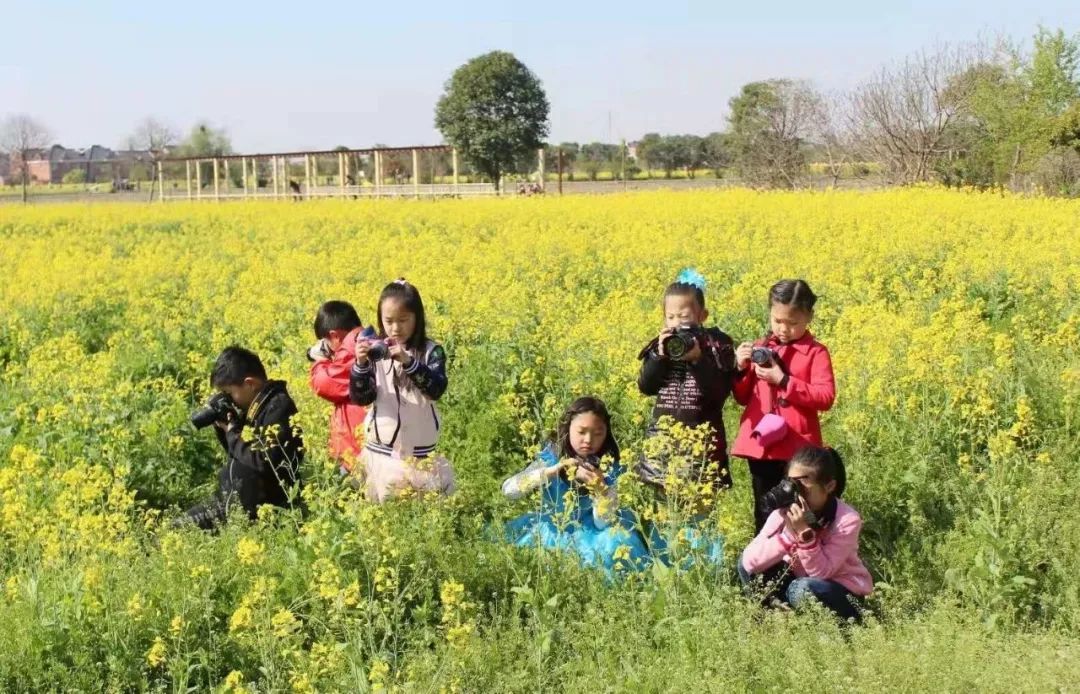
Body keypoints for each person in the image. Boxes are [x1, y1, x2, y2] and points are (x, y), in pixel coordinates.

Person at [732, 279, 836, 532]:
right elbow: (742, 397)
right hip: (763, 446)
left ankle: (800, 566)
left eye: (793, 323)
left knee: (799, 510)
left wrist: (784, 381)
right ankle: (766, 568)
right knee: (765, 509)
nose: (784, 329)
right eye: (777, 321)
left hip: (797, 448)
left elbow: (825, 397)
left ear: (809, 317)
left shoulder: (816, 352)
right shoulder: (761, 347)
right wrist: (739, 367)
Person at [503, 397, 650, 575]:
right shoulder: (550, 457)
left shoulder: (609, 467)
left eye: (598, 433)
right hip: (552, 530)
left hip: (591, 534)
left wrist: (599, 488)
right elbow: (509, 490)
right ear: (567, 429)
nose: (588, 440)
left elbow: (602, 523)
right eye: (581, 432)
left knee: (616, 542)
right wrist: (552, 471)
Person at [349, 279, 455, 502]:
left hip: (420, 455)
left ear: (417, 318)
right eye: (388, 321)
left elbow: (435, 389)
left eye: (403, 320)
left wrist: (409, 362)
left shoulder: (431, 351)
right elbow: (361, 397)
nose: (395, 328)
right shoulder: (376, 350)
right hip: (381, 453)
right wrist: (360, 364)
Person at [738, 446, 871, 622]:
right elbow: (748, 562)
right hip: (798, 581)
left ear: (829, 485)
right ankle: (770, 618)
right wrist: (787, 538)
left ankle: (838, 625)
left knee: (801, 588)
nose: (795, 491)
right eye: (791, 483)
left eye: (802, 484)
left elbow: (822, 573)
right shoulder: (784, 512)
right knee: (746, 563)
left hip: (838, 591)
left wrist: (804, 534)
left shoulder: (846, 520)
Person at [636, 268, 738, 497]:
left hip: (702, 448)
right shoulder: (662, 344)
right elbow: (645, 386)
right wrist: (658, 357)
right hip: (662, 444)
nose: (676, 324)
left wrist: (698, 359)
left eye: (684, 317)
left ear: (703, 315)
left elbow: (719, 392)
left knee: (699, 513)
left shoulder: (716, 345)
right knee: (664, 514)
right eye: (670, 317)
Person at [183, 346, 304, 529]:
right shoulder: (257, 407)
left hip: (260, 509)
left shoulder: (278, 408)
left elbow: (264, 461)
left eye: (230, 393)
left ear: (250, 383)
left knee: (181, 527)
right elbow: (240, 454)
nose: (230, 399)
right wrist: (225, 427)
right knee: (178, 525)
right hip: (234, 500)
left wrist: (233, 433)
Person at [307, 300, 367, 474]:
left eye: (326, 341)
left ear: (334, 335)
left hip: (357, 449)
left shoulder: (353, 349)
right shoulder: (363, 339)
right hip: (359, 444)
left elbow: (325, 384)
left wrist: (320, 361)